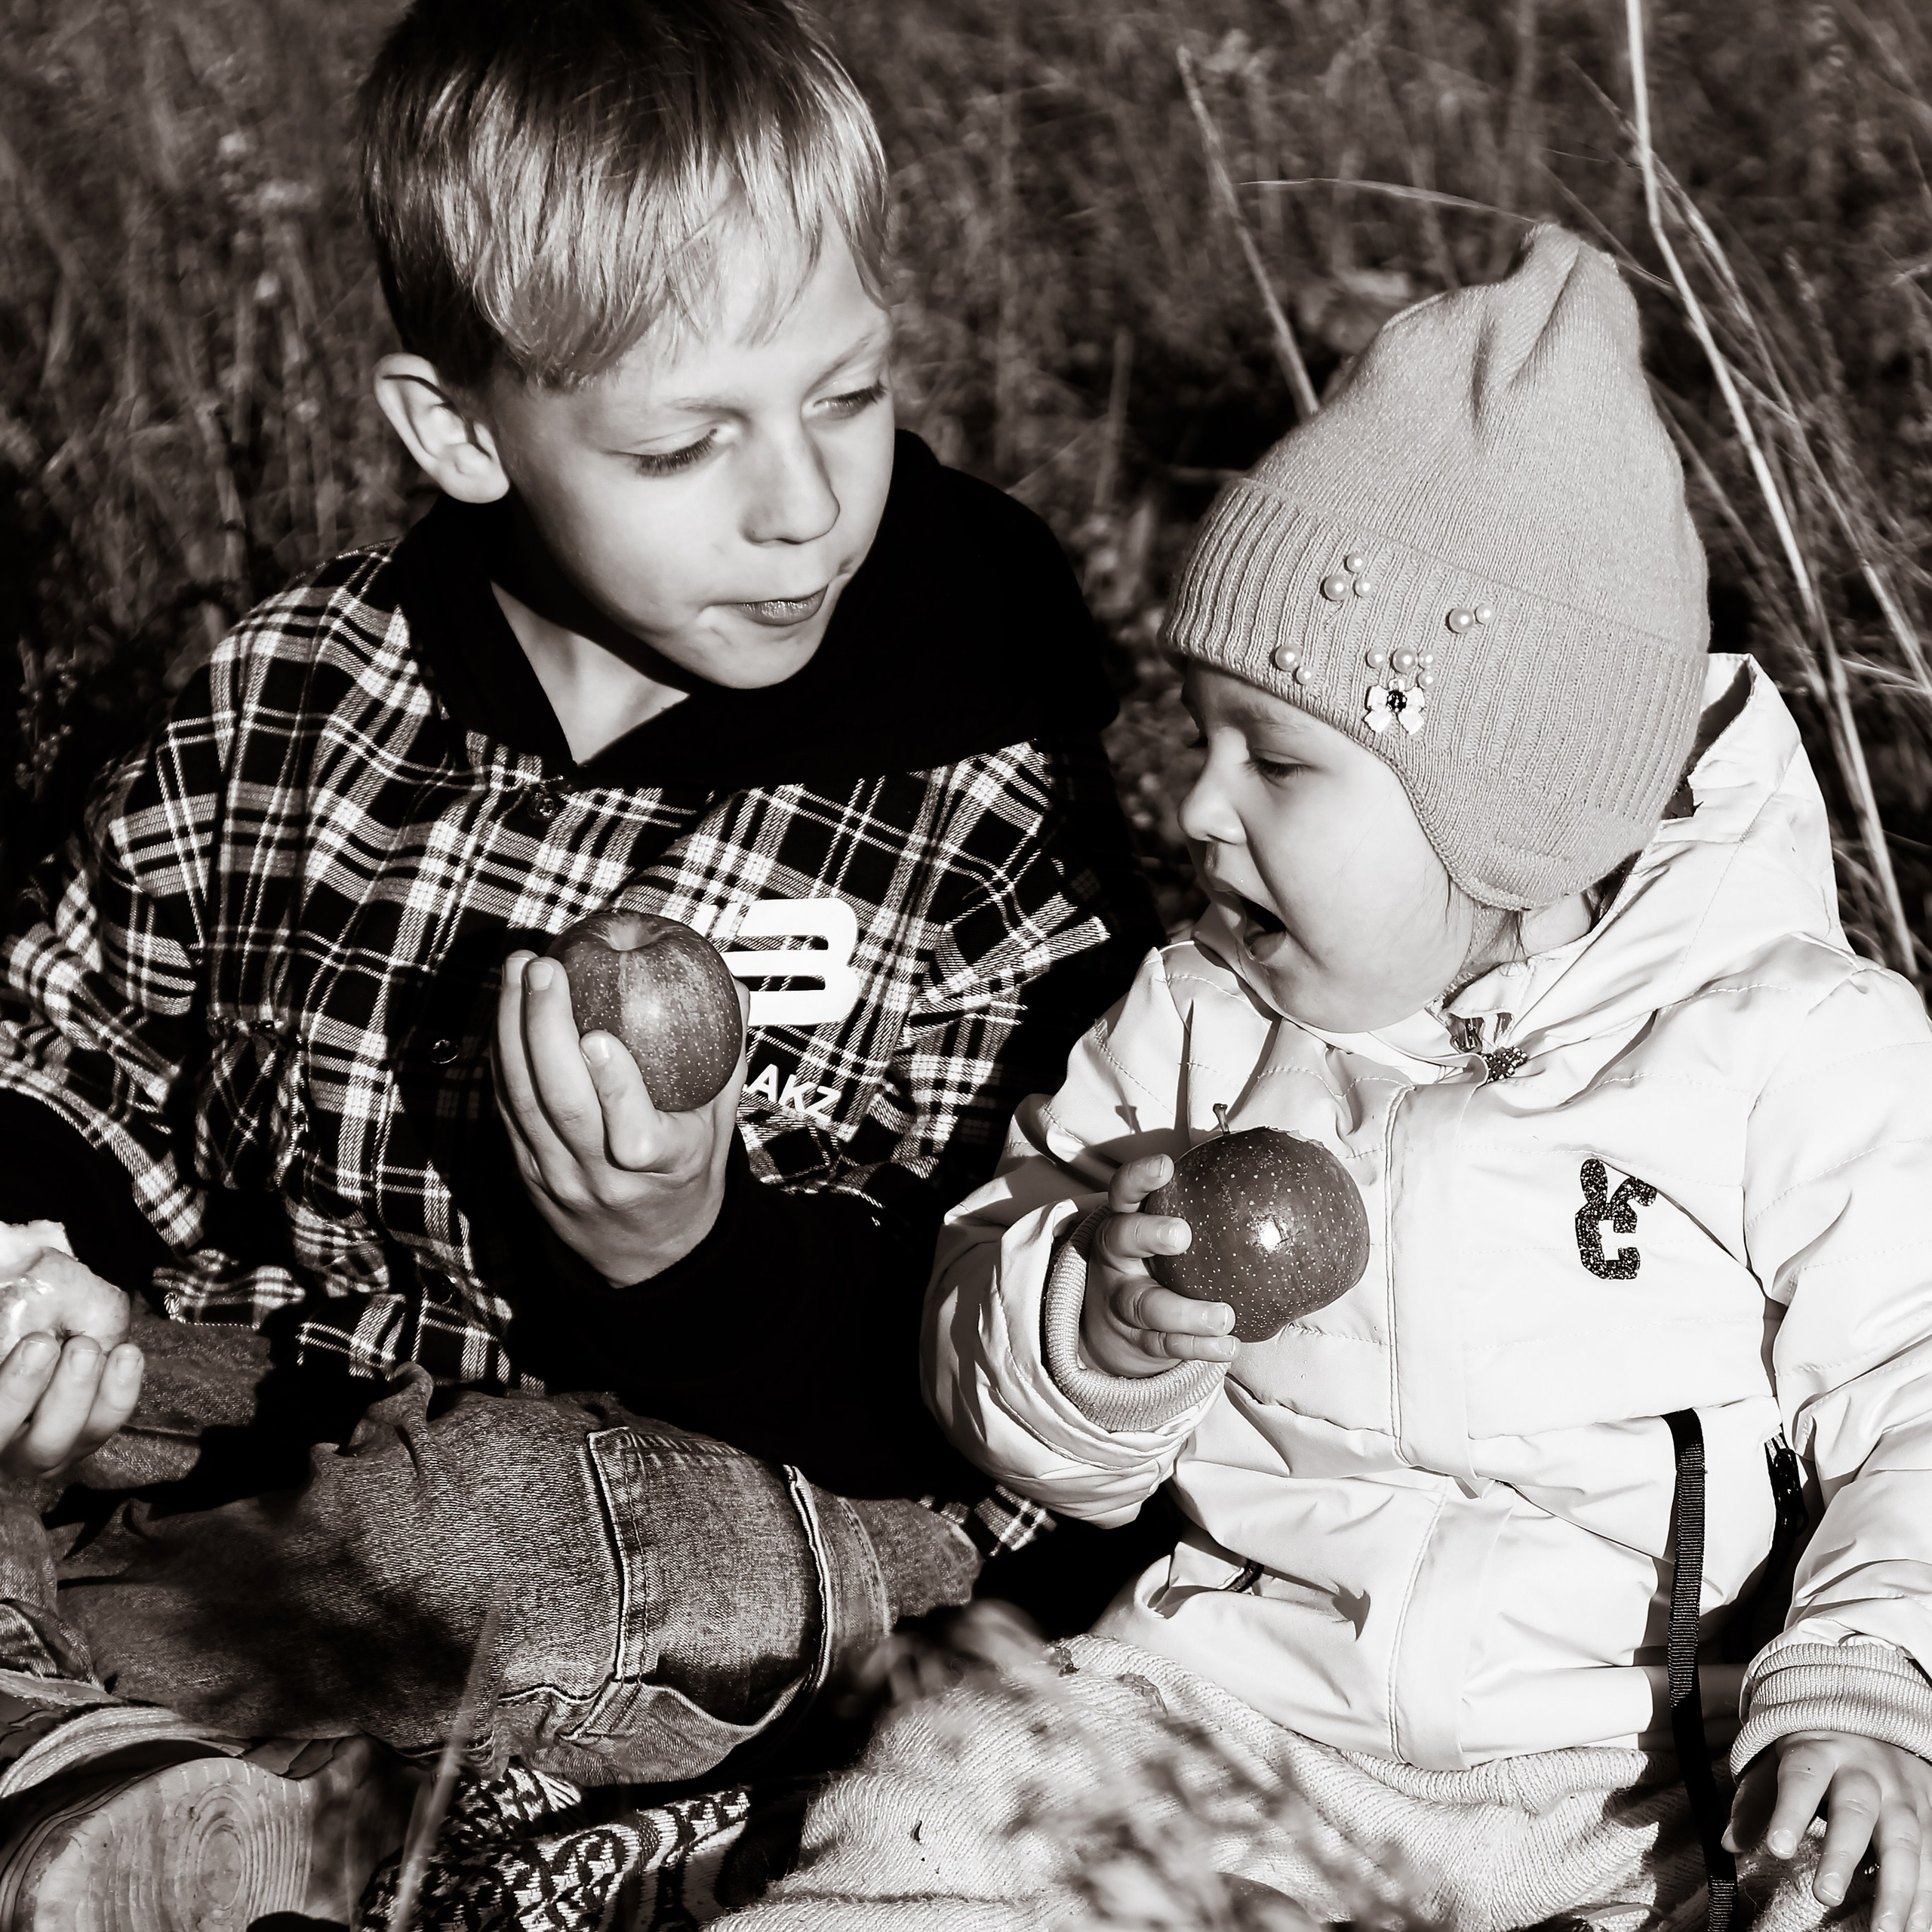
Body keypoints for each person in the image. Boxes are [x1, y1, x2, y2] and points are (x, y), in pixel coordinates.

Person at [0, 0, 1157, 1890]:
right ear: (461, 431)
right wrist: (34, 1240)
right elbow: (82, 1029)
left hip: (730, 1477)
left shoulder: (972, 792)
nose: (801, 504)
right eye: (687, 441)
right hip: (271, 1382)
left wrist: (684, 1257)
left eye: (848, 396)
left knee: (520, 1531)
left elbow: (1008, 1344)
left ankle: (79, 1722)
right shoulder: (309, 683)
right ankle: (173, 1780)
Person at [725, 226, 1932, 1932]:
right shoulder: (1198, 1023)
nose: (1198, 810)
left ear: (1507, 815)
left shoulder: (1782, 1047)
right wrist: (1089, 1327)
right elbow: (994, 1368)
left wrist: (1865, 1687)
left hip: (1648, 1774)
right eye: (1197, 738)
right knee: (962, 1785)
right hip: (1230, 1722)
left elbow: (1913, 1393)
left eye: (1275, 759)